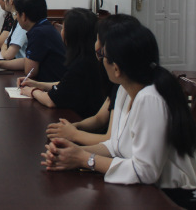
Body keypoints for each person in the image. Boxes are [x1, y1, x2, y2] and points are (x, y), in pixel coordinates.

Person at [41, 24, 196, 209]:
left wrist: (84, 159)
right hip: (145, 191)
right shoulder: (124, 89)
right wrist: (71, 152)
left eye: (103, 56)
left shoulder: (150, 99)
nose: (100, 60)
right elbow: (116, 145)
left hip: (169, 198)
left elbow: (145, 172)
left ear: (116, 68)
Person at [45, 14, 140, 145]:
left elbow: (112, 141)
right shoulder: (119, 83)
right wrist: (74, 127)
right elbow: (99, 118)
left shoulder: (132, 87)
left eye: (97, 39)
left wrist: (74, 135)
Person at [17, 8, 110, 118]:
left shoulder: (81, 64)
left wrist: (32, 91)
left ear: (71, 35)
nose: (61, 31)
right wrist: (36, 84)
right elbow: (65, 85)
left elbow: (51, 101)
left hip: (79, 118)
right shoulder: (91, 57)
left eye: (63, 28)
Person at [0, 0, 66, 82]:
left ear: (24, 16)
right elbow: (28, 61)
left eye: (17, 13)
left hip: (51, 85)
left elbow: (30, 71)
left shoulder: (38, 33)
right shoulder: (44, 27)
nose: (16, 17)